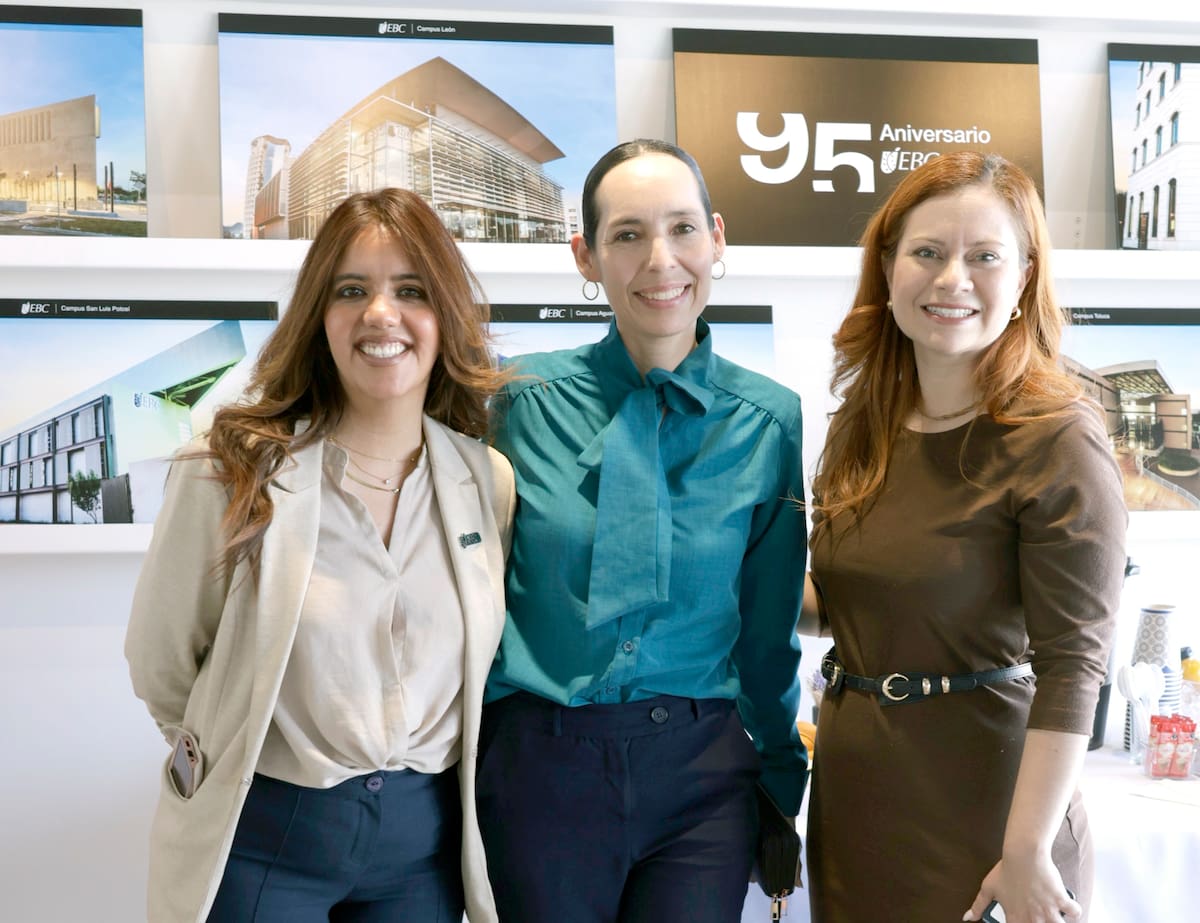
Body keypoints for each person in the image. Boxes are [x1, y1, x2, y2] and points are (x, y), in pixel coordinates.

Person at [125, 188, 514, 923]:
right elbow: (162, 664)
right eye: (351, 290)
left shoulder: (484, 480)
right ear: (319, 315)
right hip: (265, 839)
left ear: (445, 315)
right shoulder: (229, 468)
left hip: (422, 852)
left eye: (411, 289)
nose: (380, 314)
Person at [476, 139, 808, 923]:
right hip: (539, 769)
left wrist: (780, 784)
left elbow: (769, 631)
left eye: (683, 229)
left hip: (701, 776)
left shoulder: (771, 420)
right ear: (585, 257)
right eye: (627, 235)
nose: (661, 260)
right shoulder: (516, 404)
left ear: (716, 238)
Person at [796, 152, 1127, 923]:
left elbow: (1074, 666)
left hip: (994, 815)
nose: (953, 280)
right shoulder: (860, 423)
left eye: (985, 256)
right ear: (887, 266)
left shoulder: (1057, 435)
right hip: (855, 803)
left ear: (1023, 277)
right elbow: (841, 607)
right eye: (928, 252)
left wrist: (1027, 851)